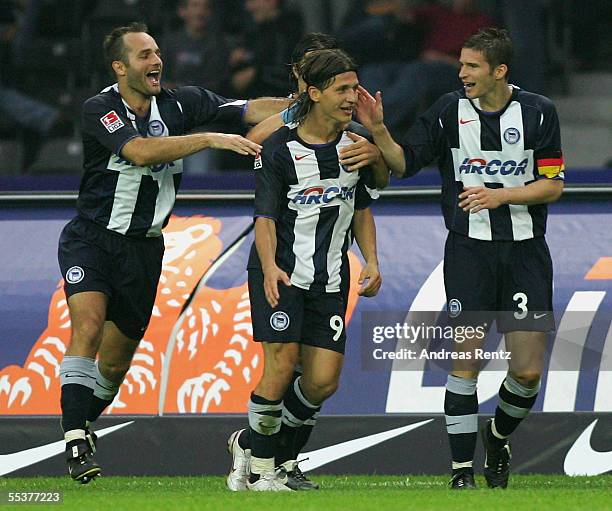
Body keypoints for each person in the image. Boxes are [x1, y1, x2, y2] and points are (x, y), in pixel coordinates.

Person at [56, 21, 290, 483]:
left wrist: (301, 104)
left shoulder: (182, 103)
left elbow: (246, 109)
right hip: (92, 239)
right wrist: (208, 138)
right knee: (86, 326)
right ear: (120, 66)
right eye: (144, 55)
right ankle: (75, 442)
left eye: (157, 52)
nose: (156, 61)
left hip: (143, 249)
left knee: (116, 363)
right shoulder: (100, 108)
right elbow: (140, 151)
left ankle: (83, 420)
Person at [354, 28, 564, 489]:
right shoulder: (449, 111)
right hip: (468, 253)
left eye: (471, 66)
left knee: (527, 371)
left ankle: (498, 434)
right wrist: (380, 130)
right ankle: (460, 473)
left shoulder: (538, 112)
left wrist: (500, 195)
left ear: (499, 71)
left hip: (526, 252)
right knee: (464, 361)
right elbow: (405, 162)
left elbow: (553, 184)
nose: (462, 72)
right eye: (462, 64)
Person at [229, 33, 387, 492]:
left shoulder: (356, 144)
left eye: (354, 88)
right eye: (341, 89)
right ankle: (263, 473)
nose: (350, 98)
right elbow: (263, 217)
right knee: (280, 365)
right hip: (279, 272)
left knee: (321, 381)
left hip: (331, 277)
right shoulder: (279, 149)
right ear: (314, 93)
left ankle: (255, 446)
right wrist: (270, 267)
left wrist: (371, 260)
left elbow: (361, 208)